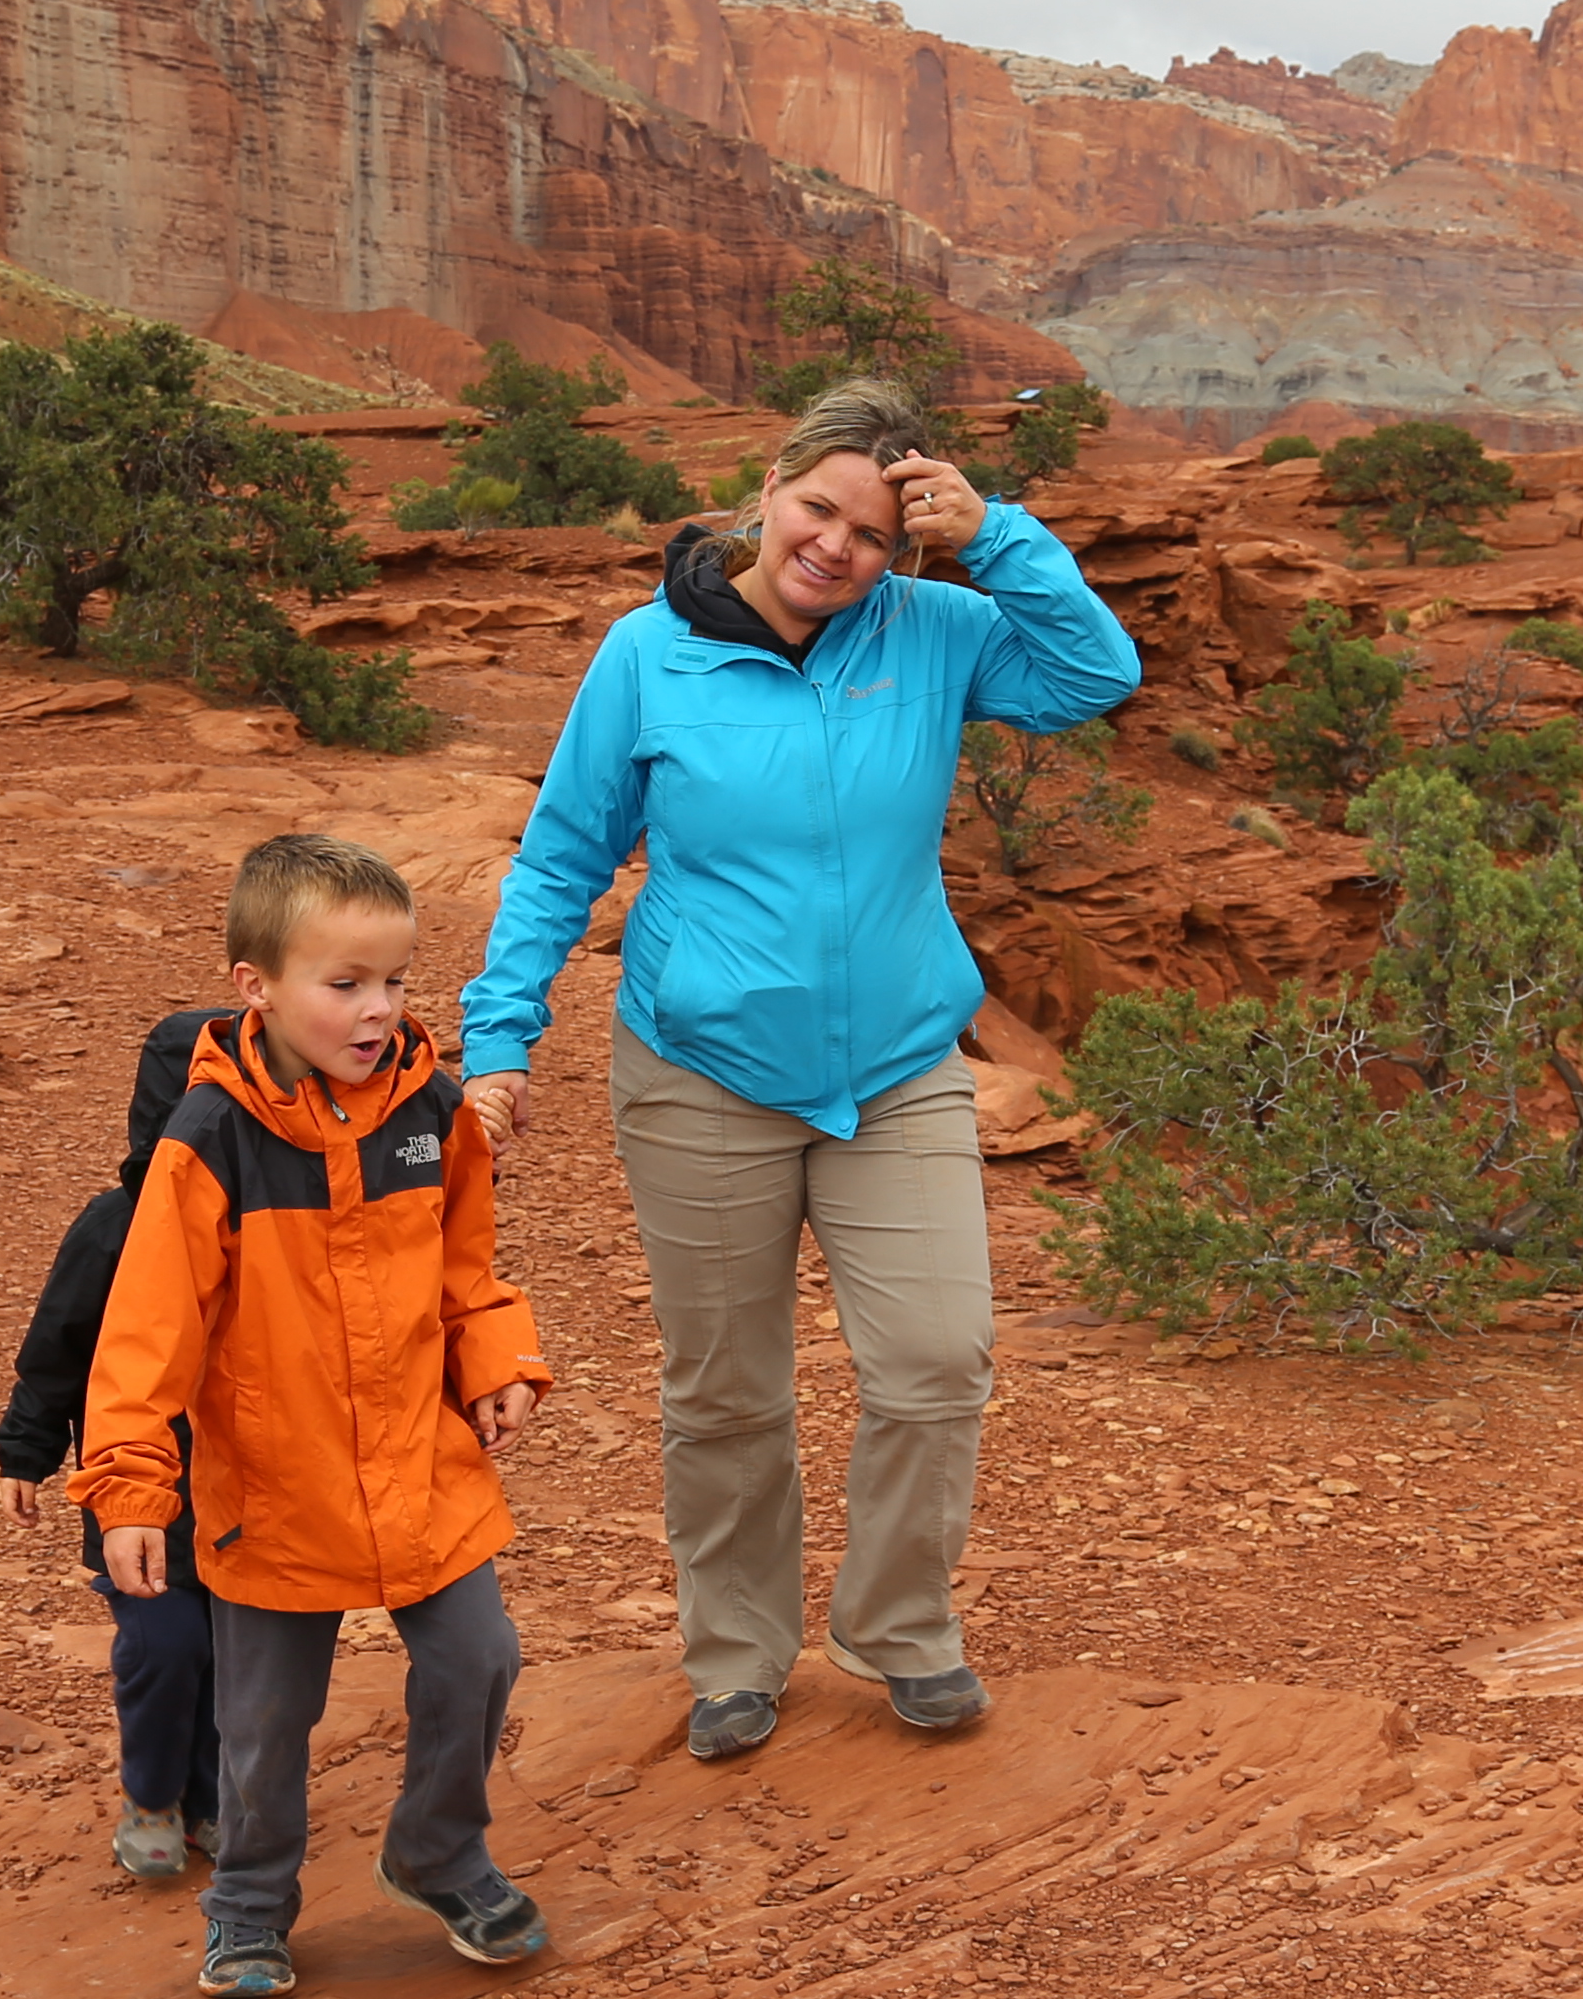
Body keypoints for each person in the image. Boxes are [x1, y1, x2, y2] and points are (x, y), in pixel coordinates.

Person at [456, 377, 1139, 1763]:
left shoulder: (938, 632)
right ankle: (737, 1653)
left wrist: (996, 533)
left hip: (894, 1068)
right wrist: (498, 1037)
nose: (838, 546)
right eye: (820, 508)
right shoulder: (648, 655)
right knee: (727, 1388)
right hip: (702, 1070)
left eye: (877, 531)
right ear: (769, 491)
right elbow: (566, 855)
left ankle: (899, 1628)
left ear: (905, 548)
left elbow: (1095, 676)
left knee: (938, 1360)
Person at [77, 831, 555, 1999]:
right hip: (275, 1482)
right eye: (344, 985)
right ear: (259, 987)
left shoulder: (432, 1114)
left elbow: (468, 1271)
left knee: (479, 1657)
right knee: (265, 1719)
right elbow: (148, 1330)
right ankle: (248, 1905)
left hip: (420, 1462)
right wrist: (135, 1485)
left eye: (394, 981)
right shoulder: (211, 1141)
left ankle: (438, 1851)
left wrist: (492, 1359)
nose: (377, 1009)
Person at [0, 1003, 230, 1884]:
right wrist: (26, 1448)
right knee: (167, 1648)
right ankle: (155, 1796)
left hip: (255, 1491)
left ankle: (212, 1799)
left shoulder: (275, 1218)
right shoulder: (114, 1224)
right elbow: (58, 1343)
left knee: (239, 1659)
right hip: (141, 1490)